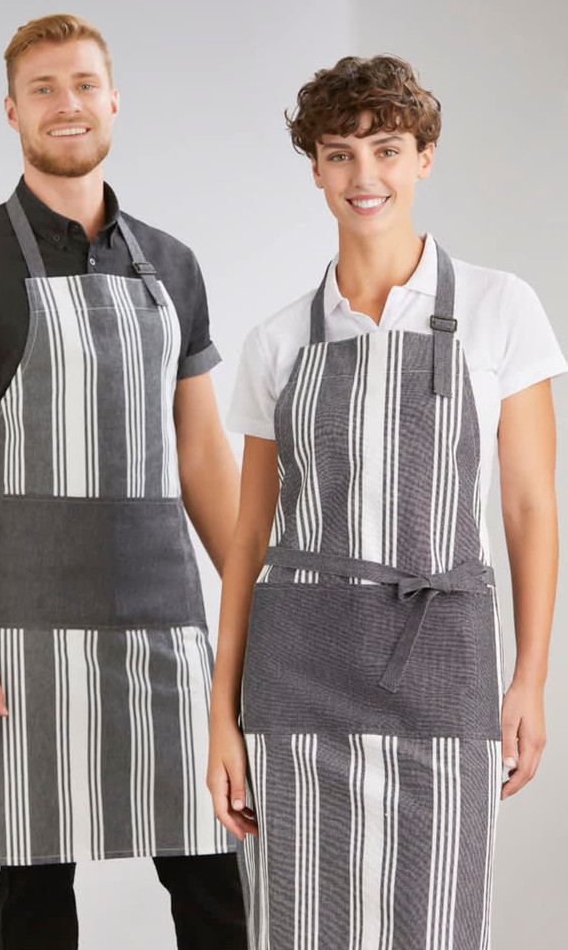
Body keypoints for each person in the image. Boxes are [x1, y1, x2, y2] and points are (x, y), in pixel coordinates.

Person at [0, 12, 247, 950]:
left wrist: (264, 602)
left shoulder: (171, 265)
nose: (68, 104)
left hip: (168, 621)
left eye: (85, 84)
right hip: (21, 633)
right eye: (44, 89)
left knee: (219, 875)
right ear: (11, 110)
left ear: (114, 101)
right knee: (37, 889)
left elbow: (204, 455)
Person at [207, 54, 566, 948]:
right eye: (339, 155)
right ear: (316, 167)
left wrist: (528, 676)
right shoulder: (279, 339)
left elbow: (528, 505)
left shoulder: (499, 307)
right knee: (300, 924)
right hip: (298, 674)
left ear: (425, 157)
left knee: (437, 922)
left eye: (388, 150)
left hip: (442, 663)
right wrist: (222, 715)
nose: (364, 177)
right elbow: (251, 534)